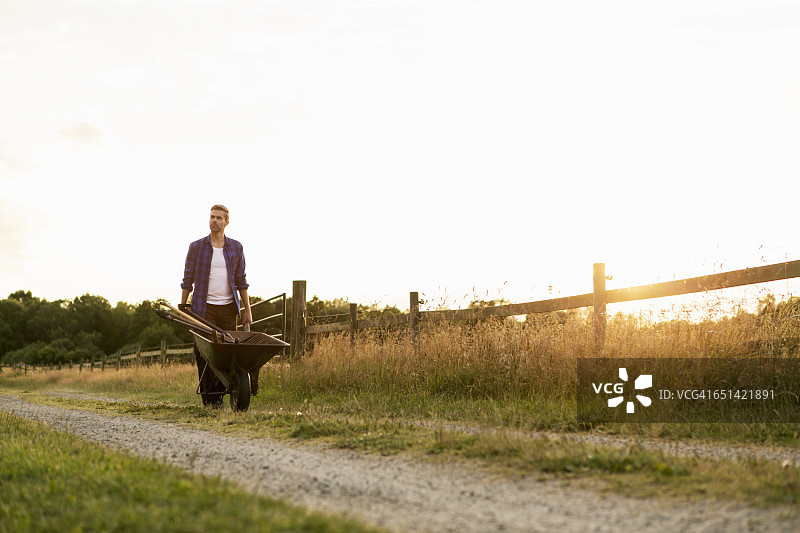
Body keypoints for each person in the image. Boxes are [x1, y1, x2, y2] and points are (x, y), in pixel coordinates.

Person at [180, 204, 255, 406]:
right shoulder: (196, 247)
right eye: (212, 217)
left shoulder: (236, 248)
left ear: (226, 222)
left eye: (219, 218)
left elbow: (241, 281)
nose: (214, 220)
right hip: (204, 309)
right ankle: (210, 400)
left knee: (228, 353)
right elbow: (188, 279)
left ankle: (223, 394)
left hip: (229, 309)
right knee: (204, 354)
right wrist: (183, 304)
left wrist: (247, 309)